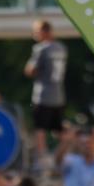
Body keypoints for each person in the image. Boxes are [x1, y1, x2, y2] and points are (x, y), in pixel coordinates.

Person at [24, 19, 68, 160]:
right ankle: (62, 157)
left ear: (44, 31)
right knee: (59, 130)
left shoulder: (40, 48)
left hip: (42, 95)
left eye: (36, 31)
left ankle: (42, 160)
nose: (34, 34)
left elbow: (30, 70)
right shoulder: (61, 48)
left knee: (40, 130)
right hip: (58, 95)